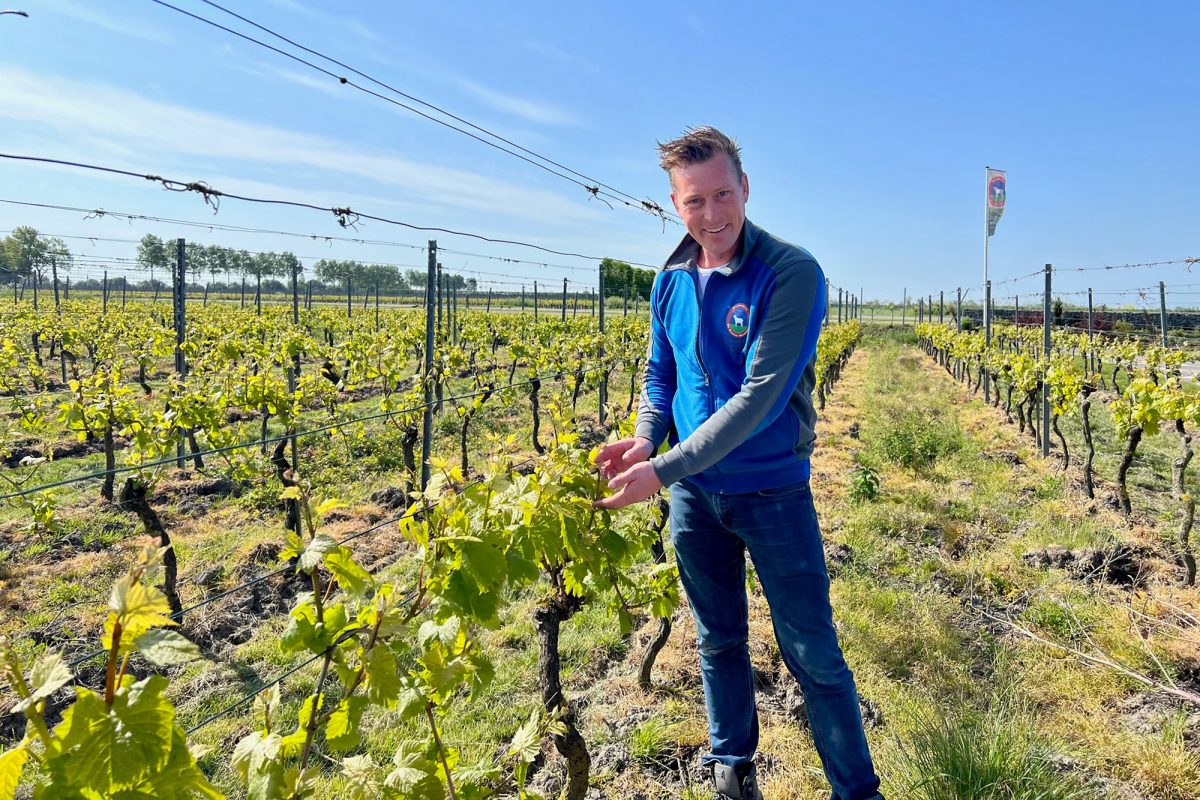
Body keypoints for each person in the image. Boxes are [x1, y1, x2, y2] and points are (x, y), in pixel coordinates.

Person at [595, 126, 884, 800]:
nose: (713, 215)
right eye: (695, 202)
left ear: (745, 188)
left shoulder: (790, 273)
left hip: (772, 491)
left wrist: (661, 471)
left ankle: (857, 790)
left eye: (723, 195)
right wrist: (645, 438)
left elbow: (760, 397)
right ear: (675, 204)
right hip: (697, 497)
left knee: (812, 652)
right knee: (716, 639)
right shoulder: (670, 283)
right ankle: (733, 771)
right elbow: (659, 376)